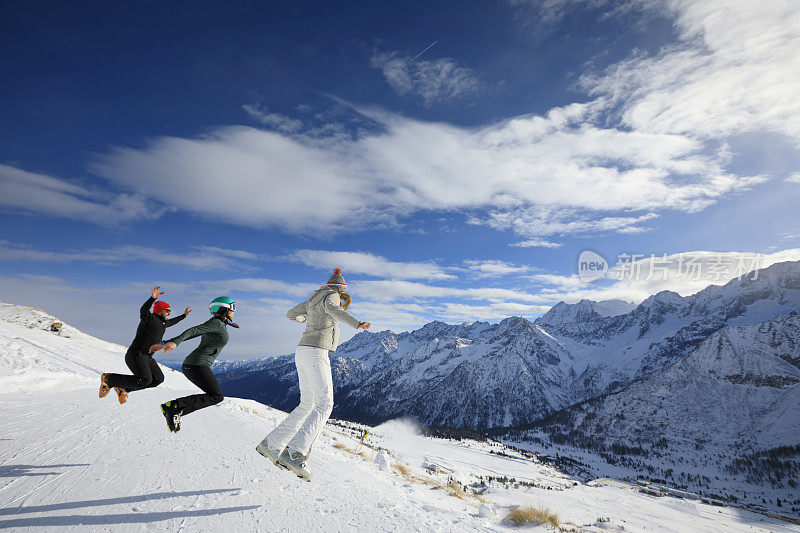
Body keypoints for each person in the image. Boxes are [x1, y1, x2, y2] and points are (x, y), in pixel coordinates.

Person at [256, 268, 370, 481]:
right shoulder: (332, 296)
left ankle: (271, 445)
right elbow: (335, 311)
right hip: (317, 351)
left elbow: (291, 314)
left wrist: (309, 321)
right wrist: (357, 323)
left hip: (302, 350)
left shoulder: (312, 298)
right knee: (324, 404)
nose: (342, 300)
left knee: (307, 403)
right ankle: (295, 452)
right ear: (341, 290)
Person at [151, 296, 238, 433]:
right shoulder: (216, 323)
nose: (234, 311)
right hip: (196, 365)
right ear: (223, 309)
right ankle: (174, 407)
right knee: (216, 396)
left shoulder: (219, 324)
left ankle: (174, 409)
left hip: (195, 365)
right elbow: (194, 330)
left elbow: (195, 332)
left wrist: (166, 342)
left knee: (215, 396)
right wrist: (176, 342)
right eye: (232, 308)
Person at [100, 286, 190, 404]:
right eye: (167, 310)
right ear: (159, 310)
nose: (169, 313)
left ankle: (123, 389)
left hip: (147, 357)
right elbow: (143, 311)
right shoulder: (149, 319)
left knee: (158, 379)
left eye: (170, 311)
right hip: (136, 354)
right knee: (145, 379)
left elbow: (172, 321)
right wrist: (152, 299)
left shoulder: (163, 323)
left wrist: (184, 316)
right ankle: (109, 379)